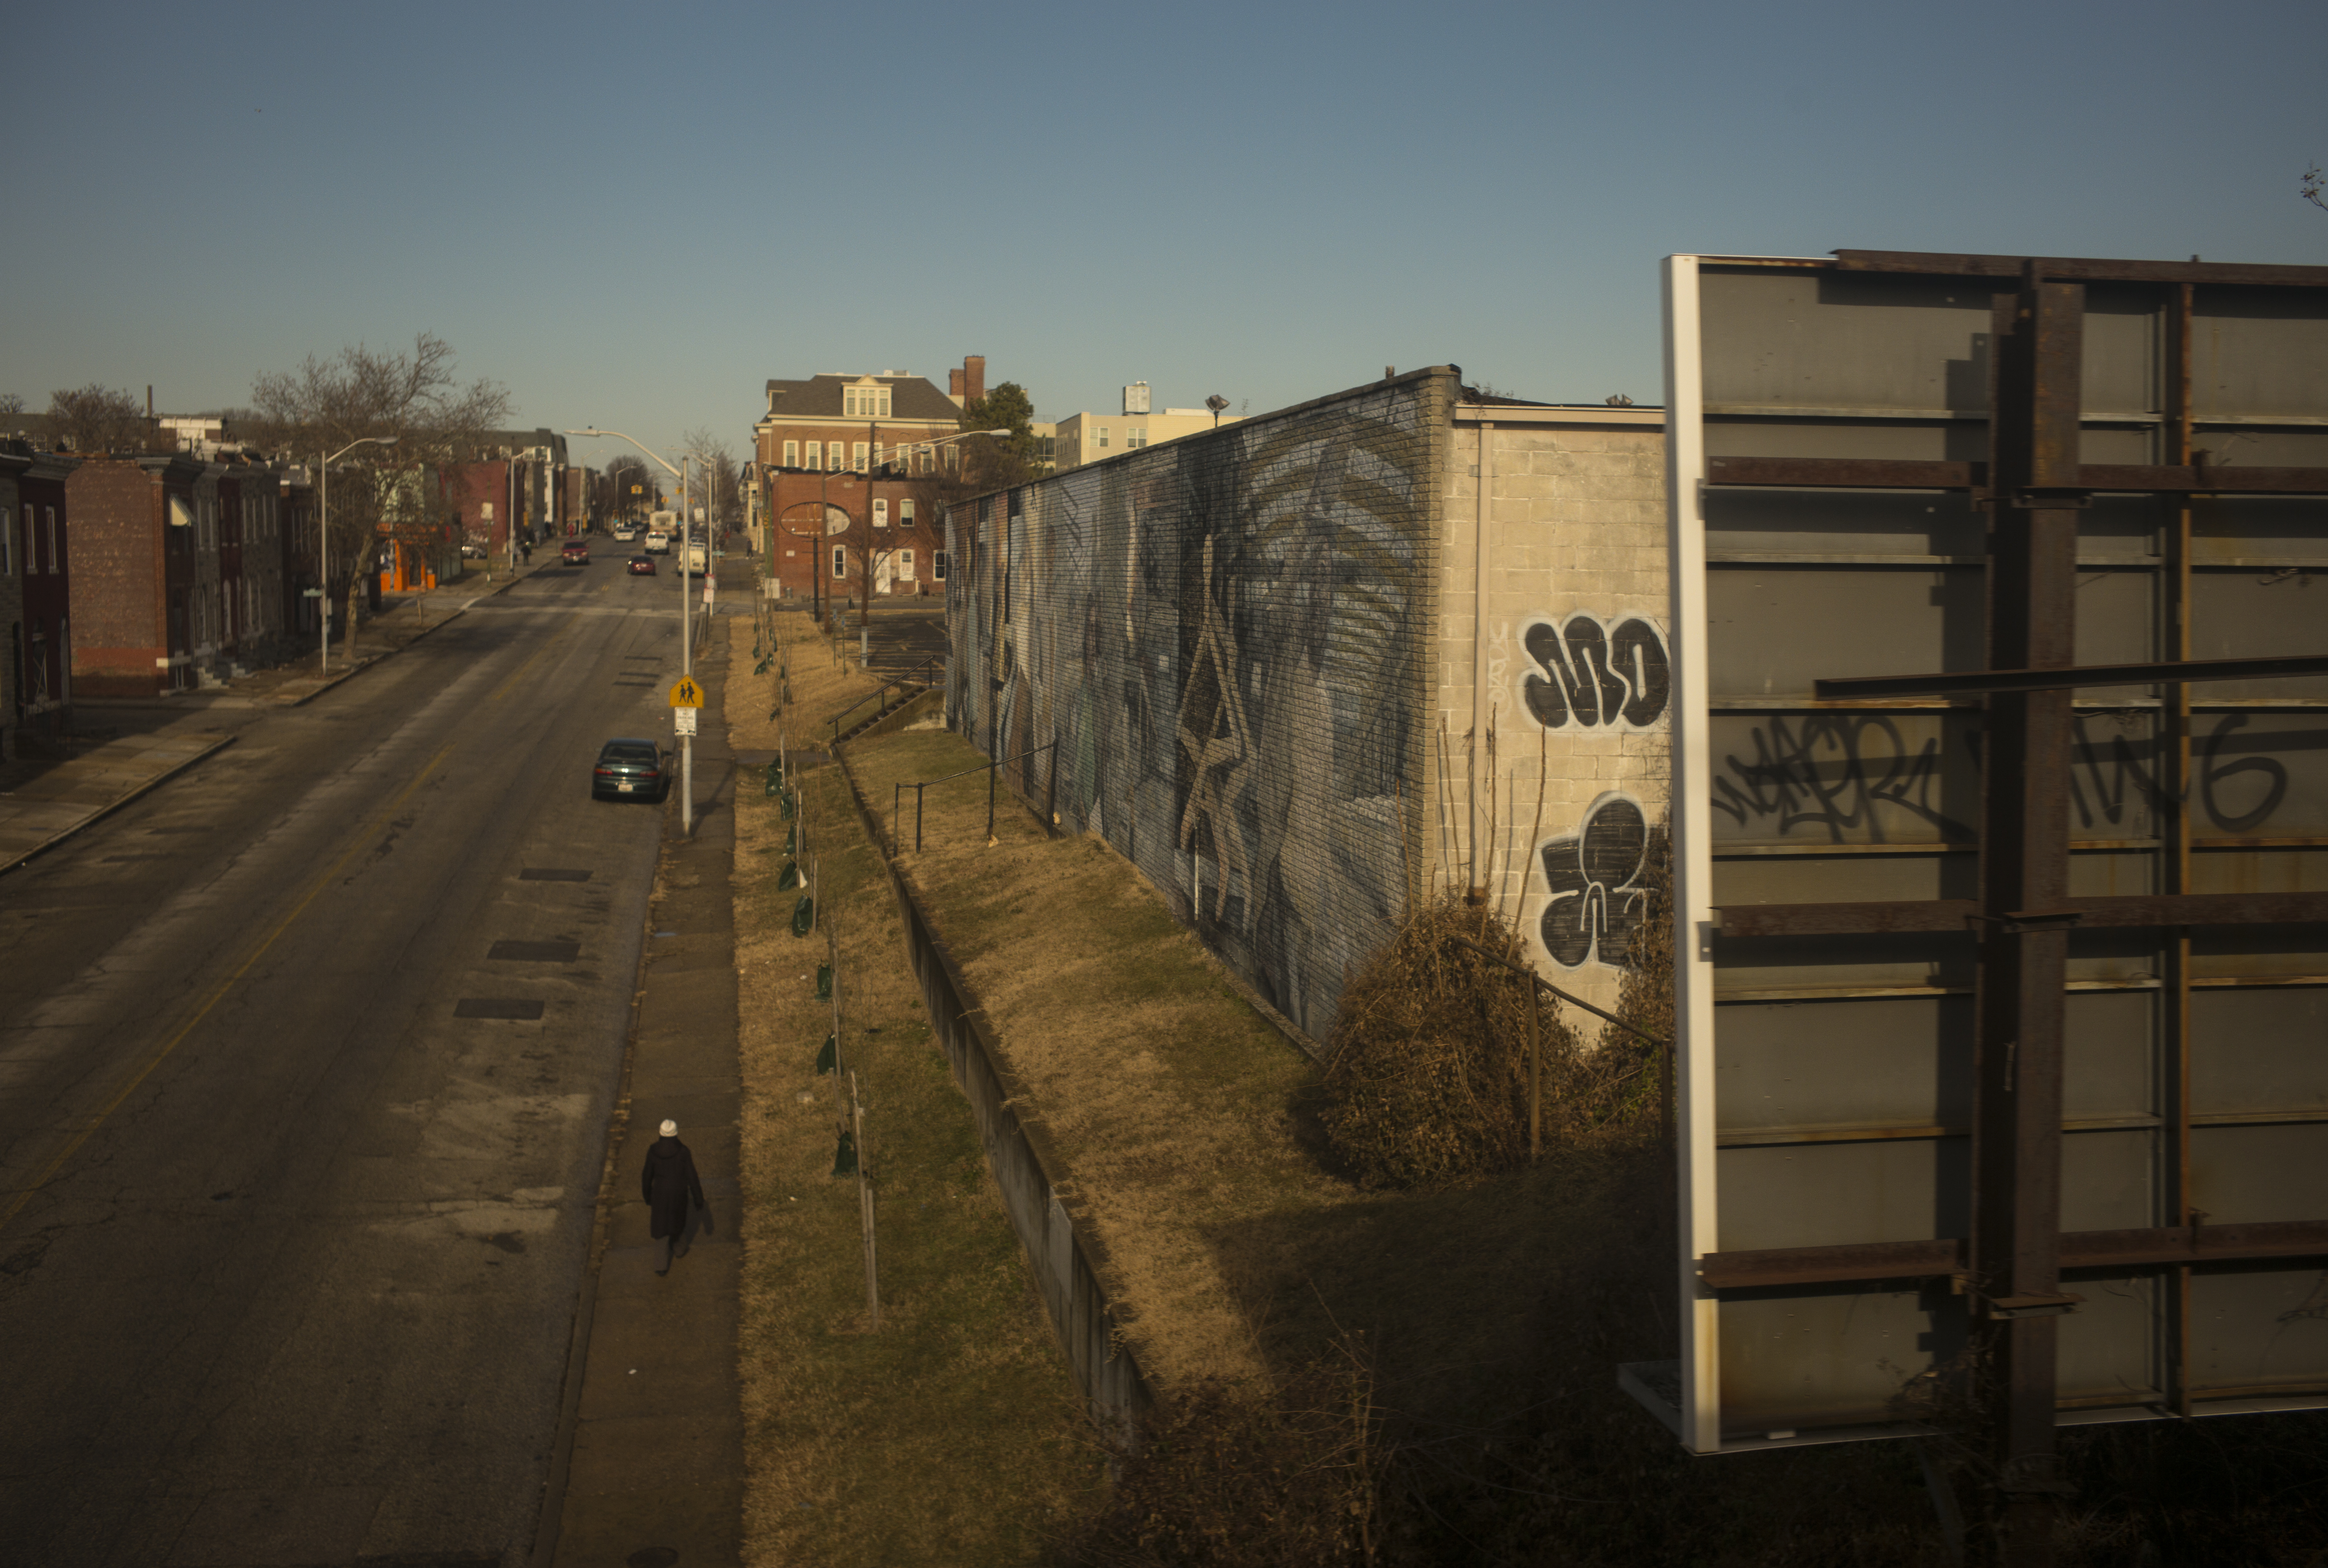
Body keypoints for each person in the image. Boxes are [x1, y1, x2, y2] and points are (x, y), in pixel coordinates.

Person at [641, 1118, 707, 1276]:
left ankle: (661, 1266)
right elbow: (692, 1177)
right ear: (676, 1134)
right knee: (677, 1222)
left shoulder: (653, 1151)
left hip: (660, 1194)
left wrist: (648, 1196)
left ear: (660, 1133)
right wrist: (699, 1199)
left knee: (661, 1228)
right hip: (679, 1194)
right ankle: (680, 1249)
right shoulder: (683, 1152)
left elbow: (647, 1176)